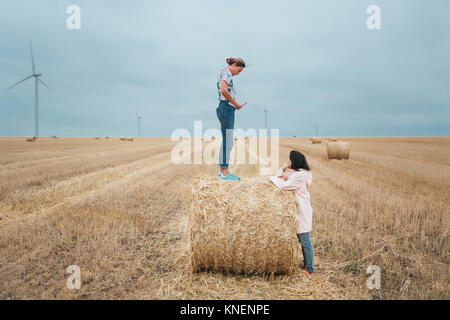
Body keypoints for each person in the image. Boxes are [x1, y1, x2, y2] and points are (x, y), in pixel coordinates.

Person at [269, 150, 315, 274]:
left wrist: (272, 179)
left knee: (305, 240)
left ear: (294, 161)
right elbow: (279, 176)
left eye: (289, 160)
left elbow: (283, 185)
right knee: (301, 239)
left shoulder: (299, 176)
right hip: (298, 209)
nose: (288, 161)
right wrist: (283, 168)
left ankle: (310, 268)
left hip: (302, 210)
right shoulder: (297, 173)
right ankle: (307, 265)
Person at [216, 57, 247, 181]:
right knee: (228, 141)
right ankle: (224, 174)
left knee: (227, 140)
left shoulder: (223, 72)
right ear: (234, 65)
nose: (238, 74)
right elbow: (223, 90)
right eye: (239, 70)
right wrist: (236, 103)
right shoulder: (227, 73)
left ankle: (223, 172)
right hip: (226, 108)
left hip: (225, 108)